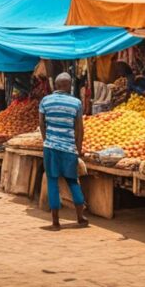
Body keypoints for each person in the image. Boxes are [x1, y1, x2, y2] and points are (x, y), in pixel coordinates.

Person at [39, 73, 88, 231]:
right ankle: (80, 218)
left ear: (56, 86)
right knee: (73, 181)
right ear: (69, 86)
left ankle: (55, 223)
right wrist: (78, 149)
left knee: (52, 182)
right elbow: (79, 128)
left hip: (51, 148)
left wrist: (47, 140)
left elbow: (41, 124)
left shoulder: (45, 101)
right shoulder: (76, 103)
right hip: (69, 148)